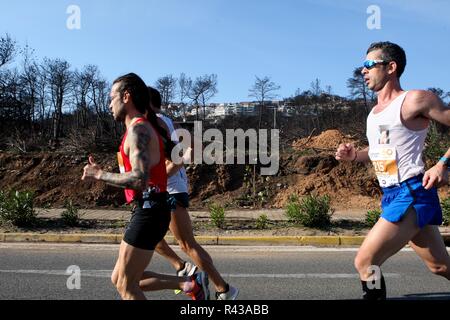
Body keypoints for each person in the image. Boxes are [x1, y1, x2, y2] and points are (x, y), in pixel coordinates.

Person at [336, 42, 450, 300]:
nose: (362, 71)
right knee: (440, 266)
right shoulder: (374, 114)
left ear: (391, 67)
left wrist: (443, 163)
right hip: (391, 194)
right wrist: (355, 156)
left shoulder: (415, 99)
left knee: (366, 262)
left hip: (411, 193)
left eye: (369, 65)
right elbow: (382, 154)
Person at [81, 73, 209, 300]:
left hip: (150, 209)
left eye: (112, 98)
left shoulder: (139, 130)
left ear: (126, 96)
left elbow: (139, 178)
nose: (110, 104)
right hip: (149, 208)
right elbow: (186, 150)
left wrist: (99, 174)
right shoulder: (145, 128)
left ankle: (190, 282)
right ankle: (188, 284)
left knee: (127, 286)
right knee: (120, 279)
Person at [144, 86, 240, 300]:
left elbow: (194, 149)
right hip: (168, 188)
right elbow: (195, 146)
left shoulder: (157, 123)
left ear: (148, 102)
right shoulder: (169, 122)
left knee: (187, 244)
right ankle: (183, 268)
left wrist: (165, 173)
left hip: (169, 190)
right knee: (153, 239)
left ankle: (224, 289)